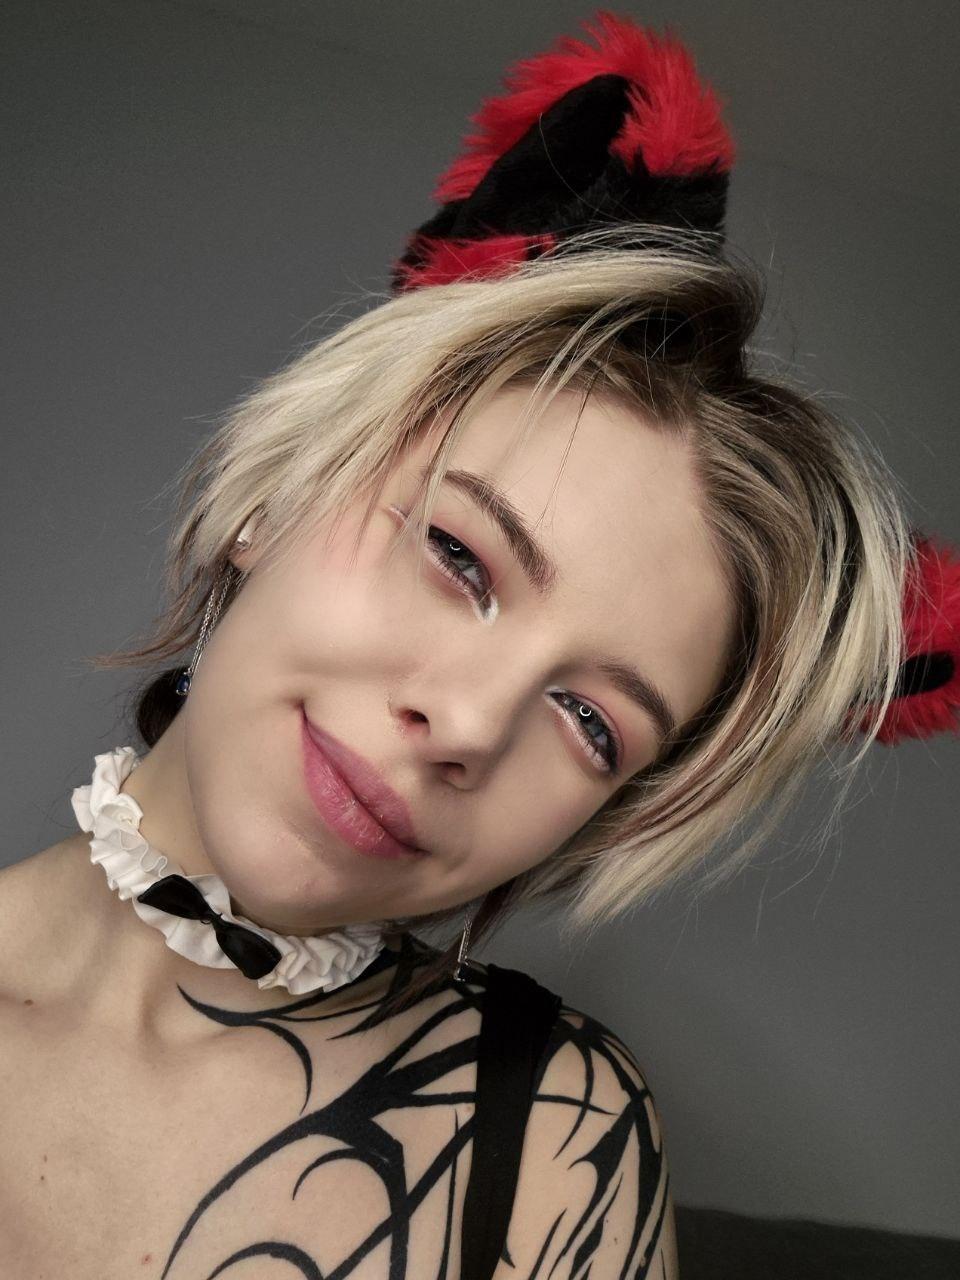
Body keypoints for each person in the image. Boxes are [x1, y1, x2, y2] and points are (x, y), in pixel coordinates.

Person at [1, 12, 957, 1280]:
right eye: (461, 557)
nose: (464, 724)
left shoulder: (560, 1142)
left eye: (592, 721)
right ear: (270, 497)